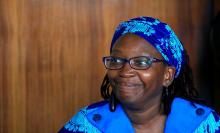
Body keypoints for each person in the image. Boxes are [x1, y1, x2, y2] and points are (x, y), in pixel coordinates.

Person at [59, 16, 220, 133]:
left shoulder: (204, 125)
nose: (125, 71)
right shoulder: (86, 125)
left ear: (167, 75)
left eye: (142, 62)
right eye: (116, 60)